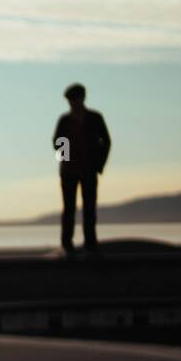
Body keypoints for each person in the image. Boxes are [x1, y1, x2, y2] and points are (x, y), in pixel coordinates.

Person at [52, 83, 111, 257]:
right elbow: (57, 142)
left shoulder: (95, 117)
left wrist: (98, 165)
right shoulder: (64, 120)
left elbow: (106, 141)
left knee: (89, 208)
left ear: (81, 98)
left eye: (73, 100)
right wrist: (66, 160)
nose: (71, 104)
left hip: (89, 170)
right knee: (69, 209)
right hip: (69, 172)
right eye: (69, 101)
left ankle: (90, 244)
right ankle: (67, 244)